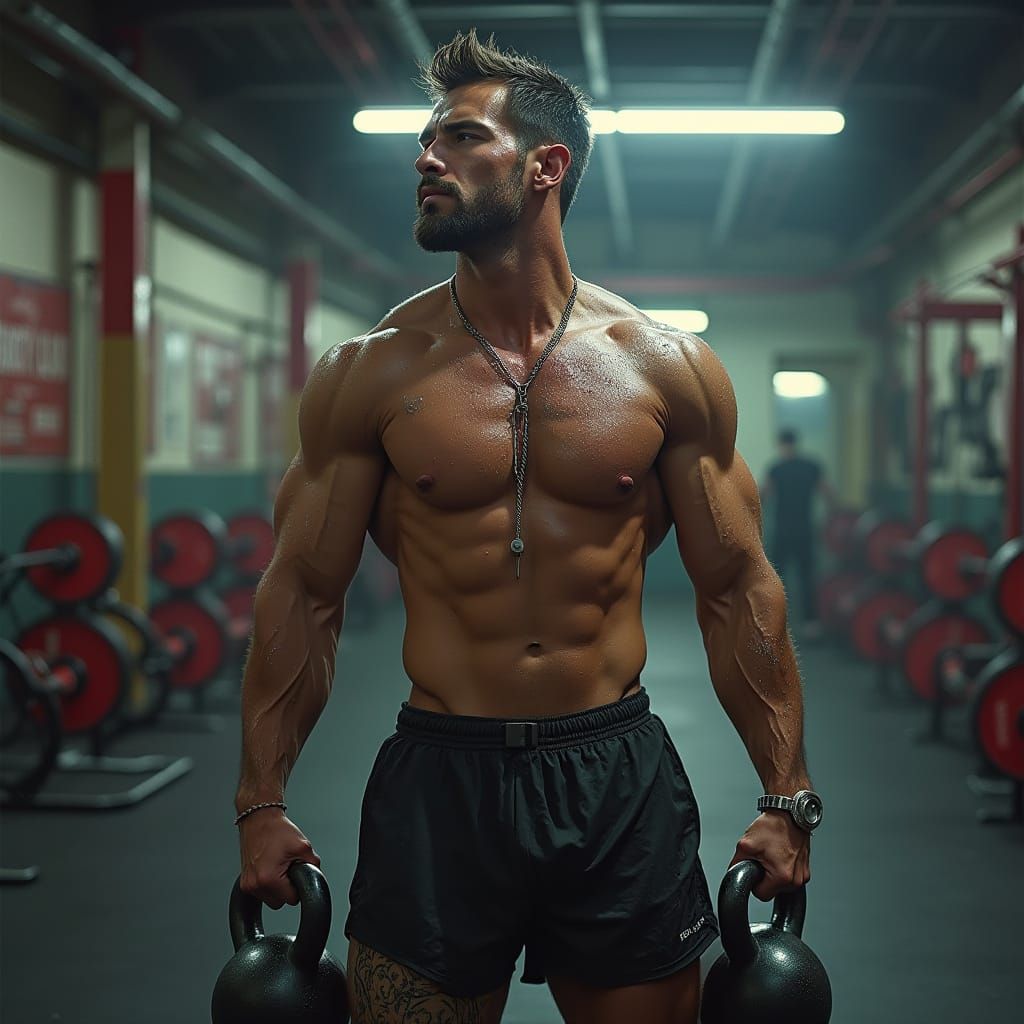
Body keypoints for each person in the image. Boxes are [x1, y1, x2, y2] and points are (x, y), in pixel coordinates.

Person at [235, 30, 820, 1024]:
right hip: (439, 782)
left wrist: (785, 795)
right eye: (425, 141)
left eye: (460, 137)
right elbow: (303, 594)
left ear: (545, 167)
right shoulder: (368, 371)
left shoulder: (664, 366)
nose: (426, 158)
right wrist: (260, 801)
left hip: (612, 774)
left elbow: (737, 590)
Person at [760, 429, 837, 637]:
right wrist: (832, 519)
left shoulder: (776, 469)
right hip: (805, 530)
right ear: (797, 442)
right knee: (807, 577)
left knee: (776, 577)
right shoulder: (812, 466)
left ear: (780, 444)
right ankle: (811, 622)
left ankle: (772, 621)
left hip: (783, 531)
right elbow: (828, 493)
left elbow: (764, 496)